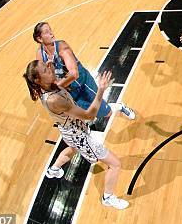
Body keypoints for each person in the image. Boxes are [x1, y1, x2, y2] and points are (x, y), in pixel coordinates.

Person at [23, 61, 130, 209]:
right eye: (45, 70)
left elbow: (60, 77)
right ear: (37, 80)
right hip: (78, 134)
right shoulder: (54, 99)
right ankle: (108, 197)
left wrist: (50, 67)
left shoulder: (45, 87)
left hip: (68, 129)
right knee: (115, 164)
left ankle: (53, 170)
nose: (49, 68)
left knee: (72, 148)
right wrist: (100, 90)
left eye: (48, 65)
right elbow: (89, 115)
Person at [33, 22, 135, 120]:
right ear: (39, 38)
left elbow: (74, 74)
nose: (51, 33)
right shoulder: (40, 54)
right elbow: (41, 76)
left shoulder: (62, 47)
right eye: (47, 32)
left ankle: (119, 106)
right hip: (67, 90)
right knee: (85, 114)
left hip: (83, 84)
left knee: (106, 113)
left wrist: (56, 87)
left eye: (50, 29)